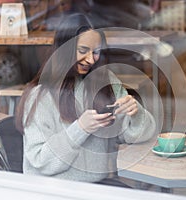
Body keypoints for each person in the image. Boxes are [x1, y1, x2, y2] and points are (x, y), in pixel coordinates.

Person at [15, 13, 156, 187]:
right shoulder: (41, 95)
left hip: (98, 185)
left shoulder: (105, 80)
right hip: (54, 190)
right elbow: (40, 161)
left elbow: (139, 136)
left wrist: (136, 113)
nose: (90, 59)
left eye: (96, 52)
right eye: (83, 51)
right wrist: (80, 128)